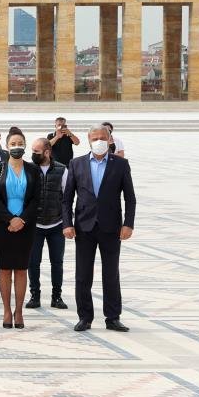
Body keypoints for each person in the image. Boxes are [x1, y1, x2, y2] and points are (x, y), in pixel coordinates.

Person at [63, 124, 136, 332]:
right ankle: (85, 317)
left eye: (103, 138)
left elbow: (130, 198)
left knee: (111, 274)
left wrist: (128, 224)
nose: (99, 141)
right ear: (88, 140)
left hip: (111, 227)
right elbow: (67, 198)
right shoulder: (76, 163)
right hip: (84, 227)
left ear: (110, 139)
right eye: (95, 138)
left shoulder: (120, 164)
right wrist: (67, 223)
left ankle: (112, 317)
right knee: (83, 275)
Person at [0, 130, 40, 329]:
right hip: (3, 225)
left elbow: (36, 198)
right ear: (7, 146)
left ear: (25, 145)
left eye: (20, 143)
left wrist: (22, 219)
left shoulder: (32, 169)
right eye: (13, 143)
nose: (16, 146)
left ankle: (19, 311)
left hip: (26, 225)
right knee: (4, 268)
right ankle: (6, 311)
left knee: (20, 268)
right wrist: (10, 219)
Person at [26, 137, 69, 311]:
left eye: (36, 152)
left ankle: (56, 296)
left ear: (47, 152)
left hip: (56, 224)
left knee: (57, 262)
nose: (33, 154)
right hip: (34, 225)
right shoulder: (28, 169)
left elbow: (67, 198)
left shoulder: (62, 169)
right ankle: (34, 295)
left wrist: (68, 223)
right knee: (33, 262)